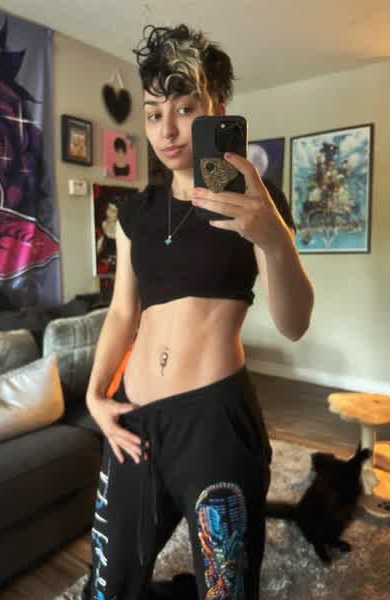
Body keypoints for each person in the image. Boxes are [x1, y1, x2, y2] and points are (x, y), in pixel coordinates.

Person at [83, 23, 314, 600]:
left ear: (217, 112)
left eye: (185, 109)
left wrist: (274, 239)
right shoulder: (135, 214)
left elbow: (294, 324)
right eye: (154, 113)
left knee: (225, 587)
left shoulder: (255, 203)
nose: (166, 130)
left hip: (214, 424)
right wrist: (94, 394)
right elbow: (122, 314)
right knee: (109, 584)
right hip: (134, 421)